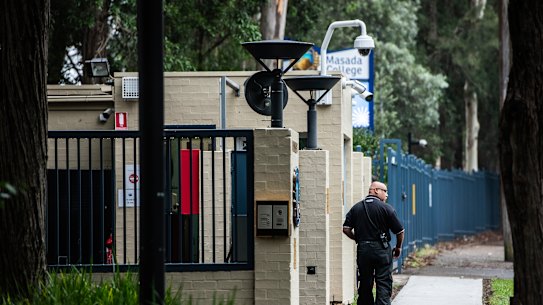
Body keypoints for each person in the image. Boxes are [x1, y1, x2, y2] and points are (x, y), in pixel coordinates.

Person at [343, 181, 404, 305]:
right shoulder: (387, 208)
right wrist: (398, 247)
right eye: (385, 191)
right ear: (375, 190)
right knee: (383, 282)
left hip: (363, 250)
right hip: (382, 250)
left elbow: (346, 229)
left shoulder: (356, 208)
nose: (386, 195)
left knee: (365, 282)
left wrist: (357, 239)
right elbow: (400, 231)